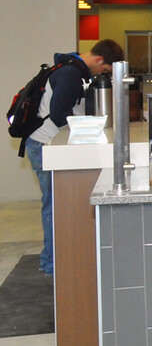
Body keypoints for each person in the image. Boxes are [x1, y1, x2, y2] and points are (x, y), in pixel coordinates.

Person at [26, 39, 124, 275]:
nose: (104, 75)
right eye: (106, 70)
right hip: (45, 145)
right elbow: (61, 115)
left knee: (56, 205)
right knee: (55, 207)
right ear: (100, 60)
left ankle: (53, 260)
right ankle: (52, 265)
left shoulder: (72, 70)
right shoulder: (71, 73)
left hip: (48, 144)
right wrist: (89, 129)